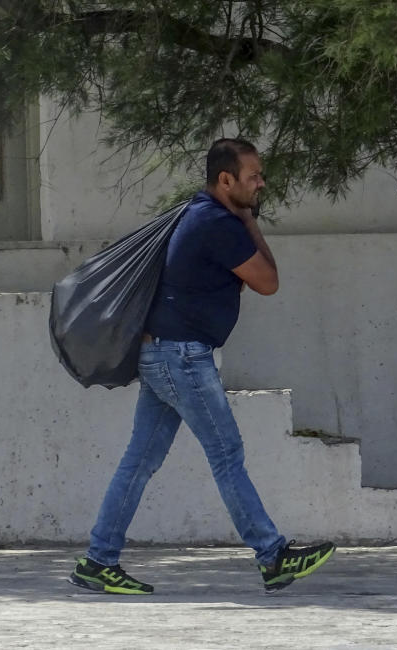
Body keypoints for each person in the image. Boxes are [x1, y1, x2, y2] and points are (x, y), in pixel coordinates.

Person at [68, 138, 335, 595]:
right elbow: (268, 281)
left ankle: (98, 559)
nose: (261, 183)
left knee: (139, 461)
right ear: (225, 179)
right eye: (253, 176)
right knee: (226, 455)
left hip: (163, 354)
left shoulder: (196, 213)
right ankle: (272, 556)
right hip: (181, 357)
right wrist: (249, 219)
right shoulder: (217, 223)